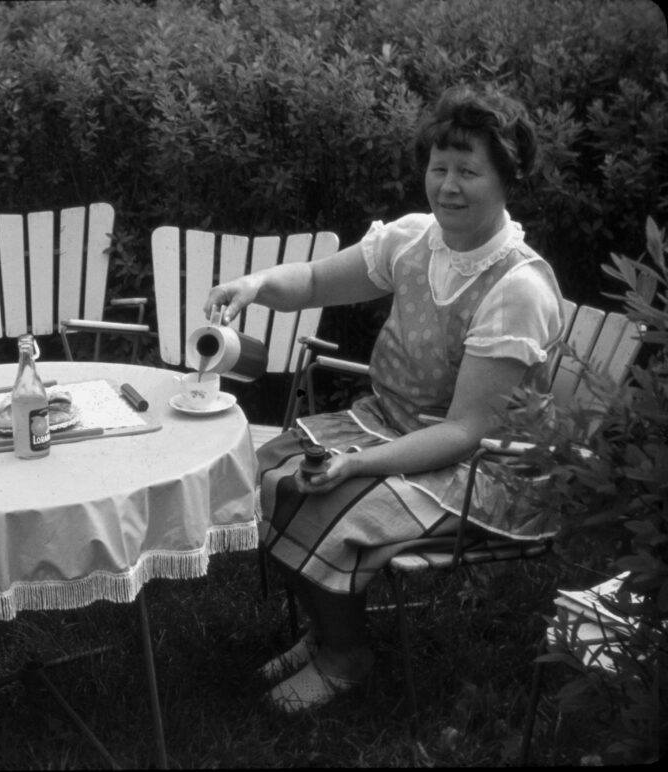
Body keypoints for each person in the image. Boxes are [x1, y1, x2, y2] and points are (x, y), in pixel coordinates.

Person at [204, 85, 565, 714]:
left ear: (507, 179)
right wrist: (256, 284)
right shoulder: (413, 239)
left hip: (481, 467)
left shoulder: (517, 288)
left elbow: (465, 431)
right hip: (392, 426)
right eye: (439, 168)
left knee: (331, 501)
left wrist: (360, 463)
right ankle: (326, 634)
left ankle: (348, 657)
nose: (448, 186)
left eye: (469, 172)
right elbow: (316, 279)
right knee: (265, 473)